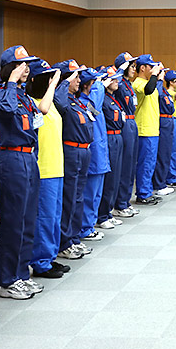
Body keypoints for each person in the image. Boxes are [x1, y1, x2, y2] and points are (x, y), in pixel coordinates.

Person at [0, 46, 57, 300]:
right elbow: (6, 111)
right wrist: (9, 81)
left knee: (28, 221)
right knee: (13, 223)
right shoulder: (2, 95)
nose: (26, 68)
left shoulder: (23, 97)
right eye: (21, 64)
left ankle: (21, 275)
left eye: (27, 64)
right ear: (10, 68)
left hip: (29, 157)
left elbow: (39, 115)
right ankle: (8, 280)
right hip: (12, 158)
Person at [27, 60, 71, 277]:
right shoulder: (30, 102)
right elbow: (41, 112)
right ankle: (40, 261)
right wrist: (53, 86)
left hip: (56, 167)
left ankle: (50, 256)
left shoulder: (51, 101)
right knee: (43, 218)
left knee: (54, 216)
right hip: (43, 169)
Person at [52, 60, 95, 259]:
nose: (78, 80)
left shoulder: (76, 100)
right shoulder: (61, 99)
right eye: (74, 77)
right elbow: (58, 102)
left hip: (83, 151)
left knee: (78, 197)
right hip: (71, 151)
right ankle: (64, 242)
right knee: (69, 198)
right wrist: (63, 81)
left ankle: (74, 238)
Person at [79, 67, 110, 242]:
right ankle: (85, 227)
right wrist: (100, 86)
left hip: (101, 149)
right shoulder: (85, 101)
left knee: (97, 192)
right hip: (94, 150)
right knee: (90, 193)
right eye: (94, 83)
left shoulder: (90, 98)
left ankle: (90, 224)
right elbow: (95, 107)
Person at [97, 65, 129, 230]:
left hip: (118, 135)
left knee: (116, 176)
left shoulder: (114, 97)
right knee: (109, 178)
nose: (117, 81)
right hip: (109, 136)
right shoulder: (102, 98)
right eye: (113, 78)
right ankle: (102, 215)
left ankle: (109, 212)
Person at [133, 54, 164, 204]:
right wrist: (154, 75)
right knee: (145, 163)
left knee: (150, 162)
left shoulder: (148, 82)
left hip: (152, 128)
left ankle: (147, 190)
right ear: (143, 68)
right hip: (144, 129)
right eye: (150, 67)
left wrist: (159, 76)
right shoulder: (138, 83)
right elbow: (149, 89)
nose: (153, 70)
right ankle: (142, 193)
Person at [113, 53, 140, 217]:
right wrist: (120, 70)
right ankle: (120, 203)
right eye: (131, 66)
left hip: (132, 122)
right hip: (124, 124)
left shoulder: (128, 85)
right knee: (125, 165)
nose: (134, 69)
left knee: (131, 164)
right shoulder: (120, 83)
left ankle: (126, 200)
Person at [152, 69, 176, 197]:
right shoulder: (159, 90)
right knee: (162, 153)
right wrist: (159, 79)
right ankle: (159, 184)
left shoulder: (165, 92)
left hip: (168, 120)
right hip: (163, 121)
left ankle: (162, 181)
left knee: (166, 153)